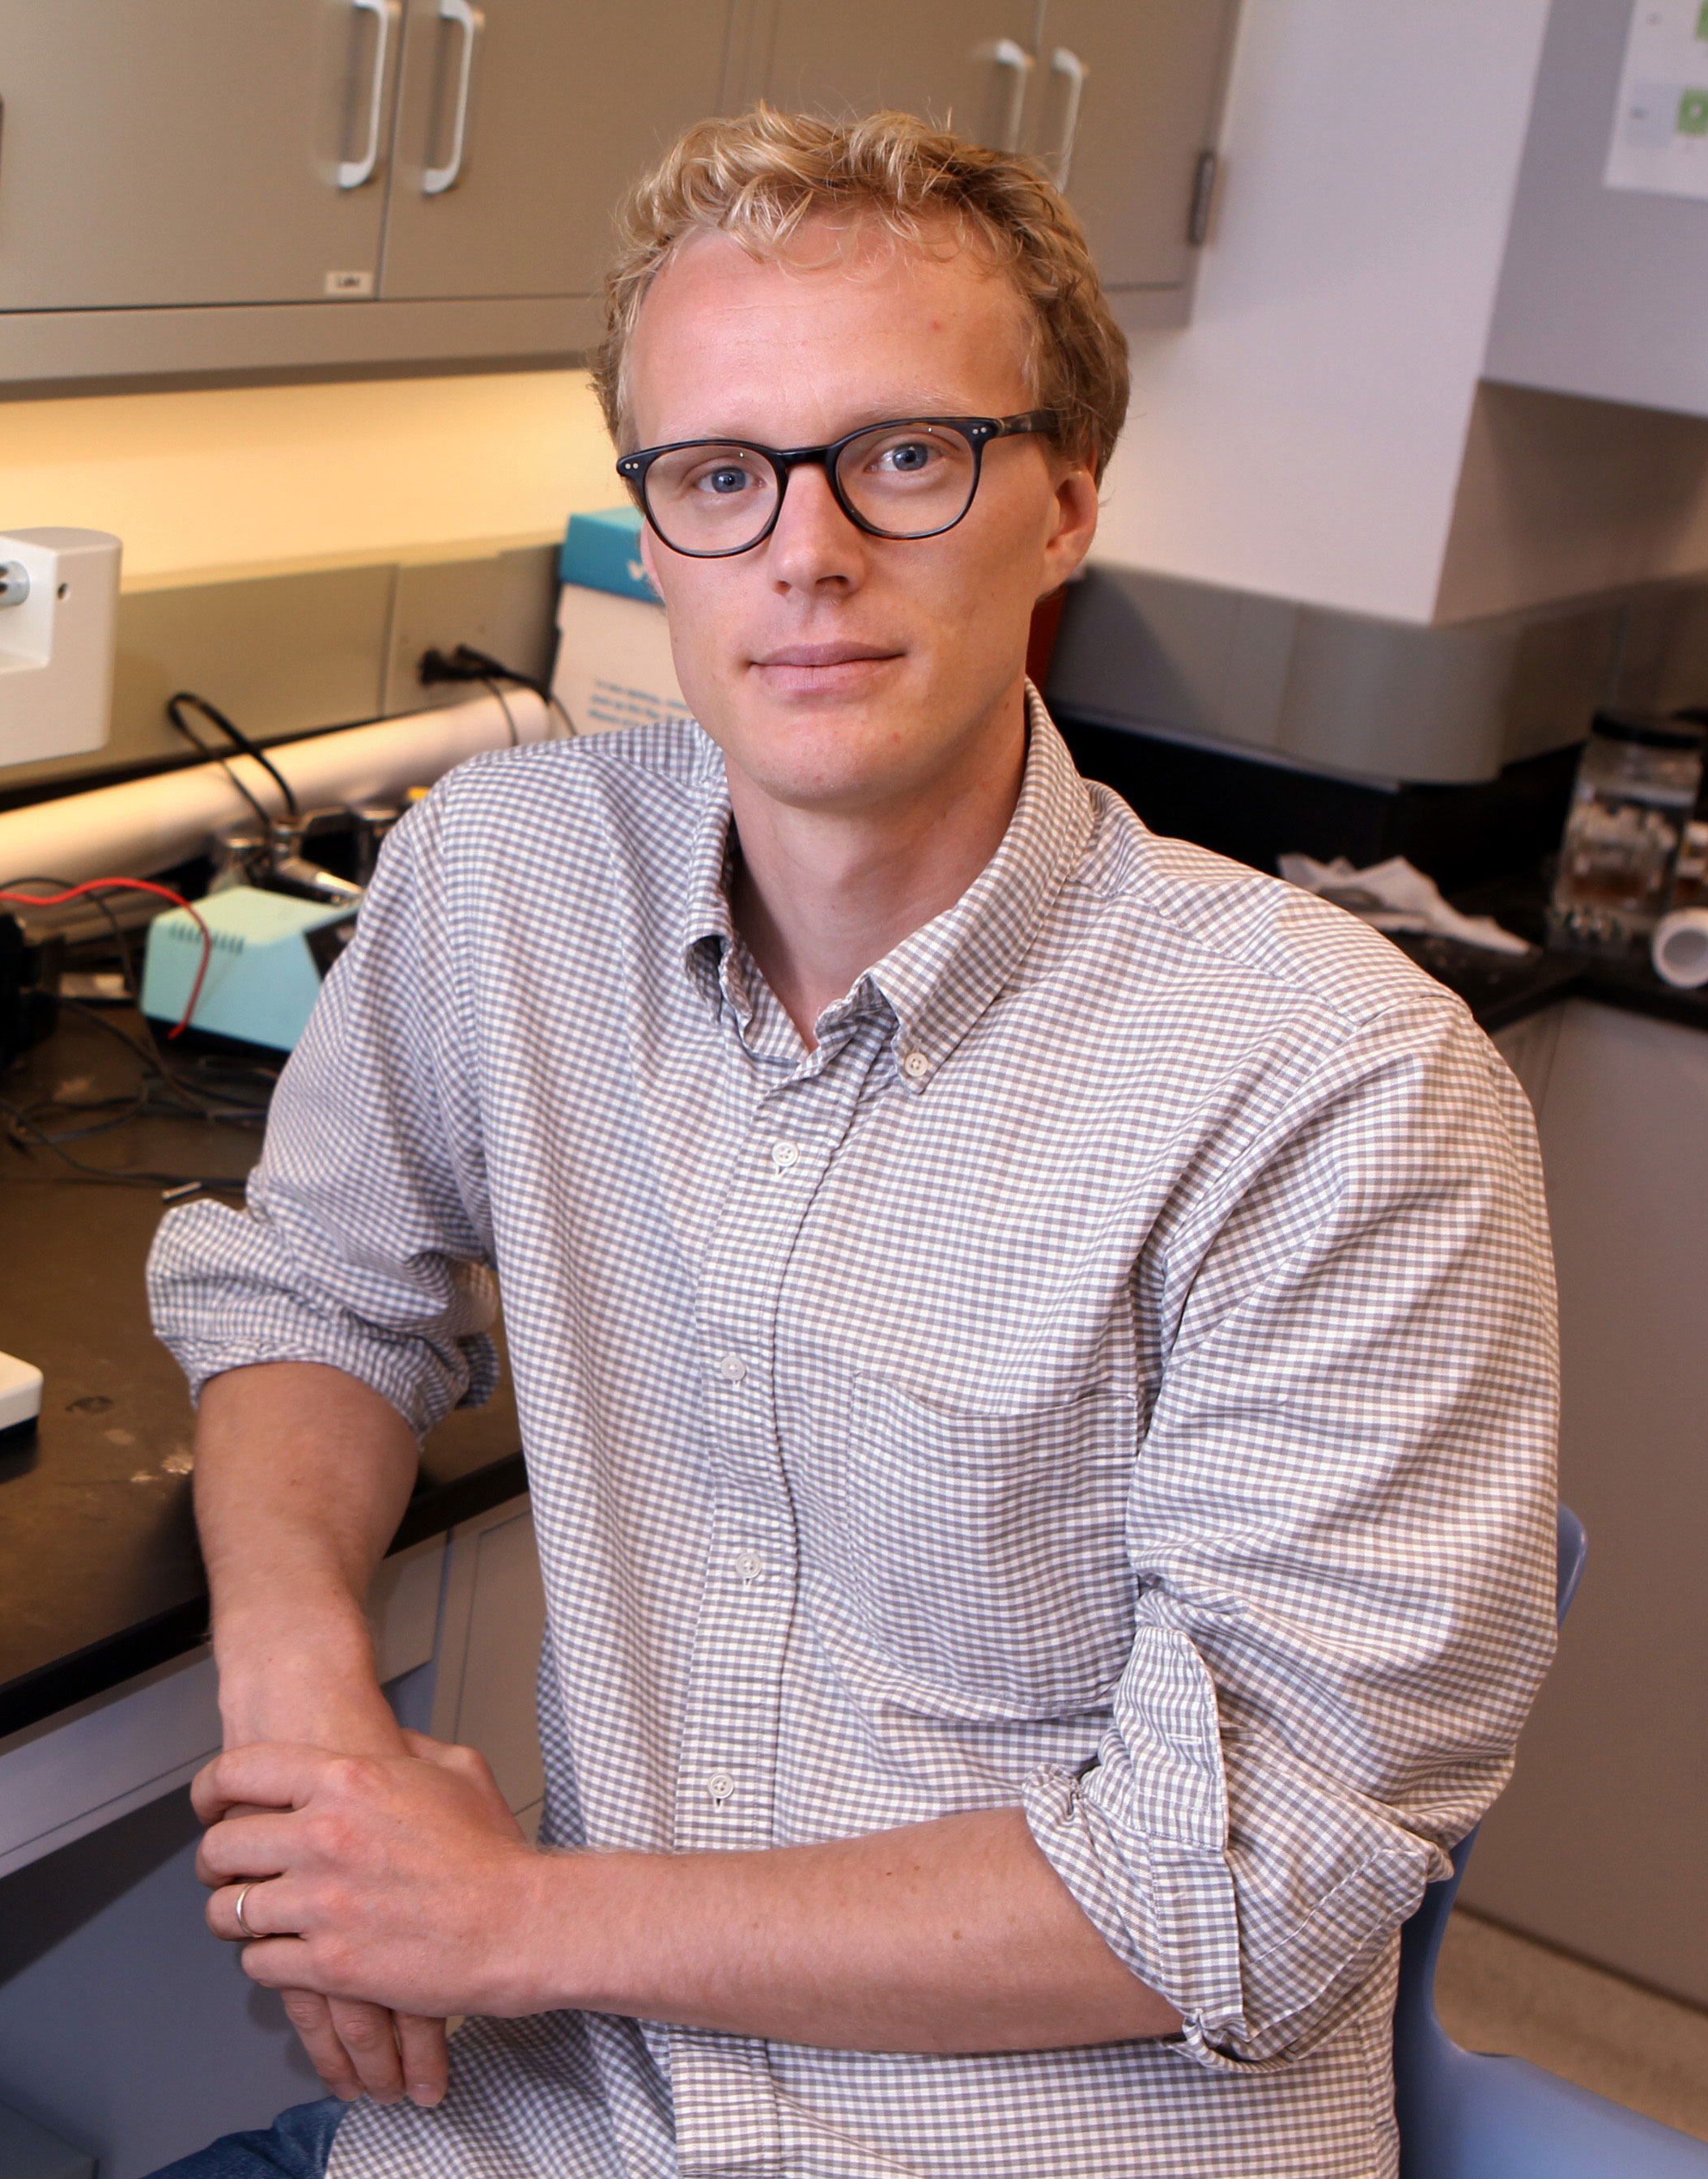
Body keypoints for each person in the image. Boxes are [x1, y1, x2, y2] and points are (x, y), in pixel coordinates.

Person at [139, 104, 1561, 2179]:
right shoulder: (510, 879)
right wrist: (302, 1700)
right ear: (652, 528)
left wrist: (508, 1916)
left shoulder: (1338, 1088)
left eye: (905, 455)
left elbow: (1244, 1880)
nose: (806, 552)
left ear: (1065, 504)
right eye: (722, 474)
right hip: (558, 2124)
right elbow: (310, 1287)